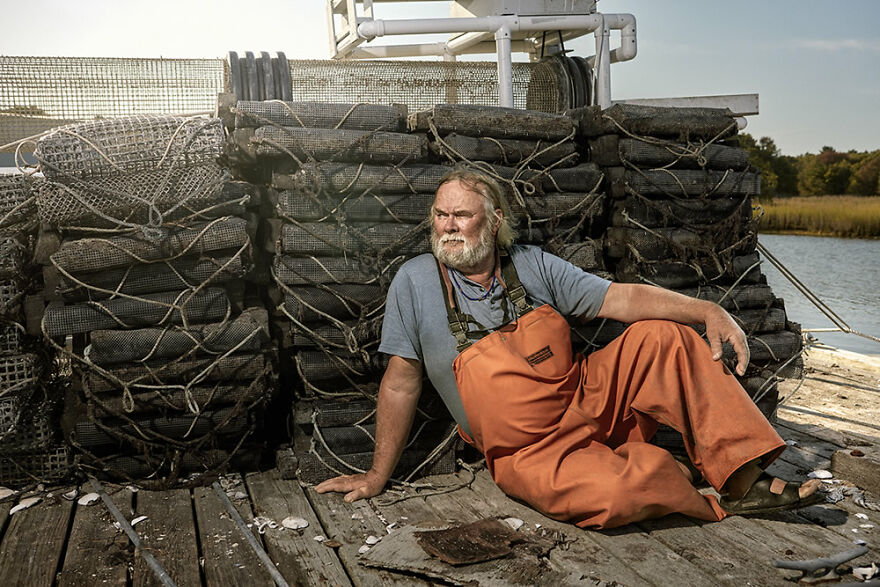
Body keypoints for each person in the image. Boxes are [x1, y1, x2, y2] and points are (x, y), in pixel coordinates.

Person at [316, 169, 821, 529]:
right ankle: (676, 473)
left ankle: (742, 478)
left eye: (462, 215)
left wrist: (709, 310)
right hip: (528, 452)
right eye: (440, 215)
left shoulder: (531, 263)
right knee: (613, 496)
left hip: (588, 401)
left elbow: (621, 298)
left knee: (664, 336)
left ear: (492, 221)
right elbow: (401, 382)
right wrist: (378, 475)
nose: (447, 226)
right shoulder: (415, 282)